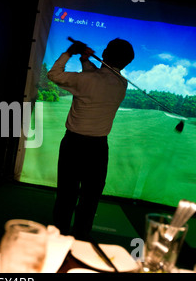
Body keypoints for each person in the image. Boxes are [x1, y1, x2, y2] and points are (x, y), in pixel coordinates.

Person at [47, 38, 134, 240]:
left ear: (104, 54)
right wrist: (85, 60)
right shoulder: (122, 83)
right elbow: (96, 77)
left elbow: (54, 74)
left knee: (66, 197)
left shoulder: (85, 80)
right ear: (126, 62)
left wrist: (70, 52)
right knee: (90, 199)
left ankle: (58, 239)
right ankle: (80, 241)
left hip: (73, 144)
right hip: (99, 148)